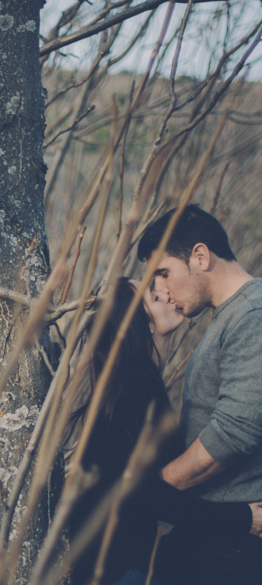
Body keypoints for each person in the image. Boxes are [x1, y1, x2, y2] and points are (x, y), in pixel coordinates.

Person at [67, 277, 262, 585]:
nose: (167, 294)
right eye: (155, 297)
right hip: (119, 570)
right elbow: (146, 494)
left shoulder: (129, 386)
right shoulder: (136, 389)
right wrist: (242, 519)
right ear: (142, 325)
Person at [136, 205, 262, 584]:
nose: (160, 288)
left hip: (235, 546)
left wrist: (159, 486)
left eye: (163, 272)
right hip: (216, 535)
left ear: (201, 257)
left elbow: (235, 433)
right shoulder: (232, 316)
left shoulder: (252, 315)